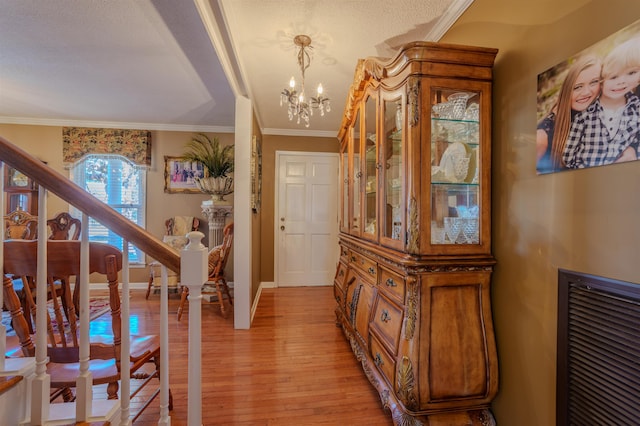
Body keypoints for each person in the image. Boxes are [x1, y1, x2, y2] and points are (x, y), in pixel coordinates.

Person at [563, 38, 640, 168]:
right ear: (601, 80)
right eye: (613, 77)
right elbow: (568, 158)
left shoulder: (636, 108)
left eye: (631, 73)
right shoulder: (584, 117)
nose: (622, 81)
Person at [536, 55, 602, 174]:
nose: (586, 92)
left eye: (594, 82)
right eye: (577, 87)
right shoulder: (542, 136)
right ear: (567, 91)